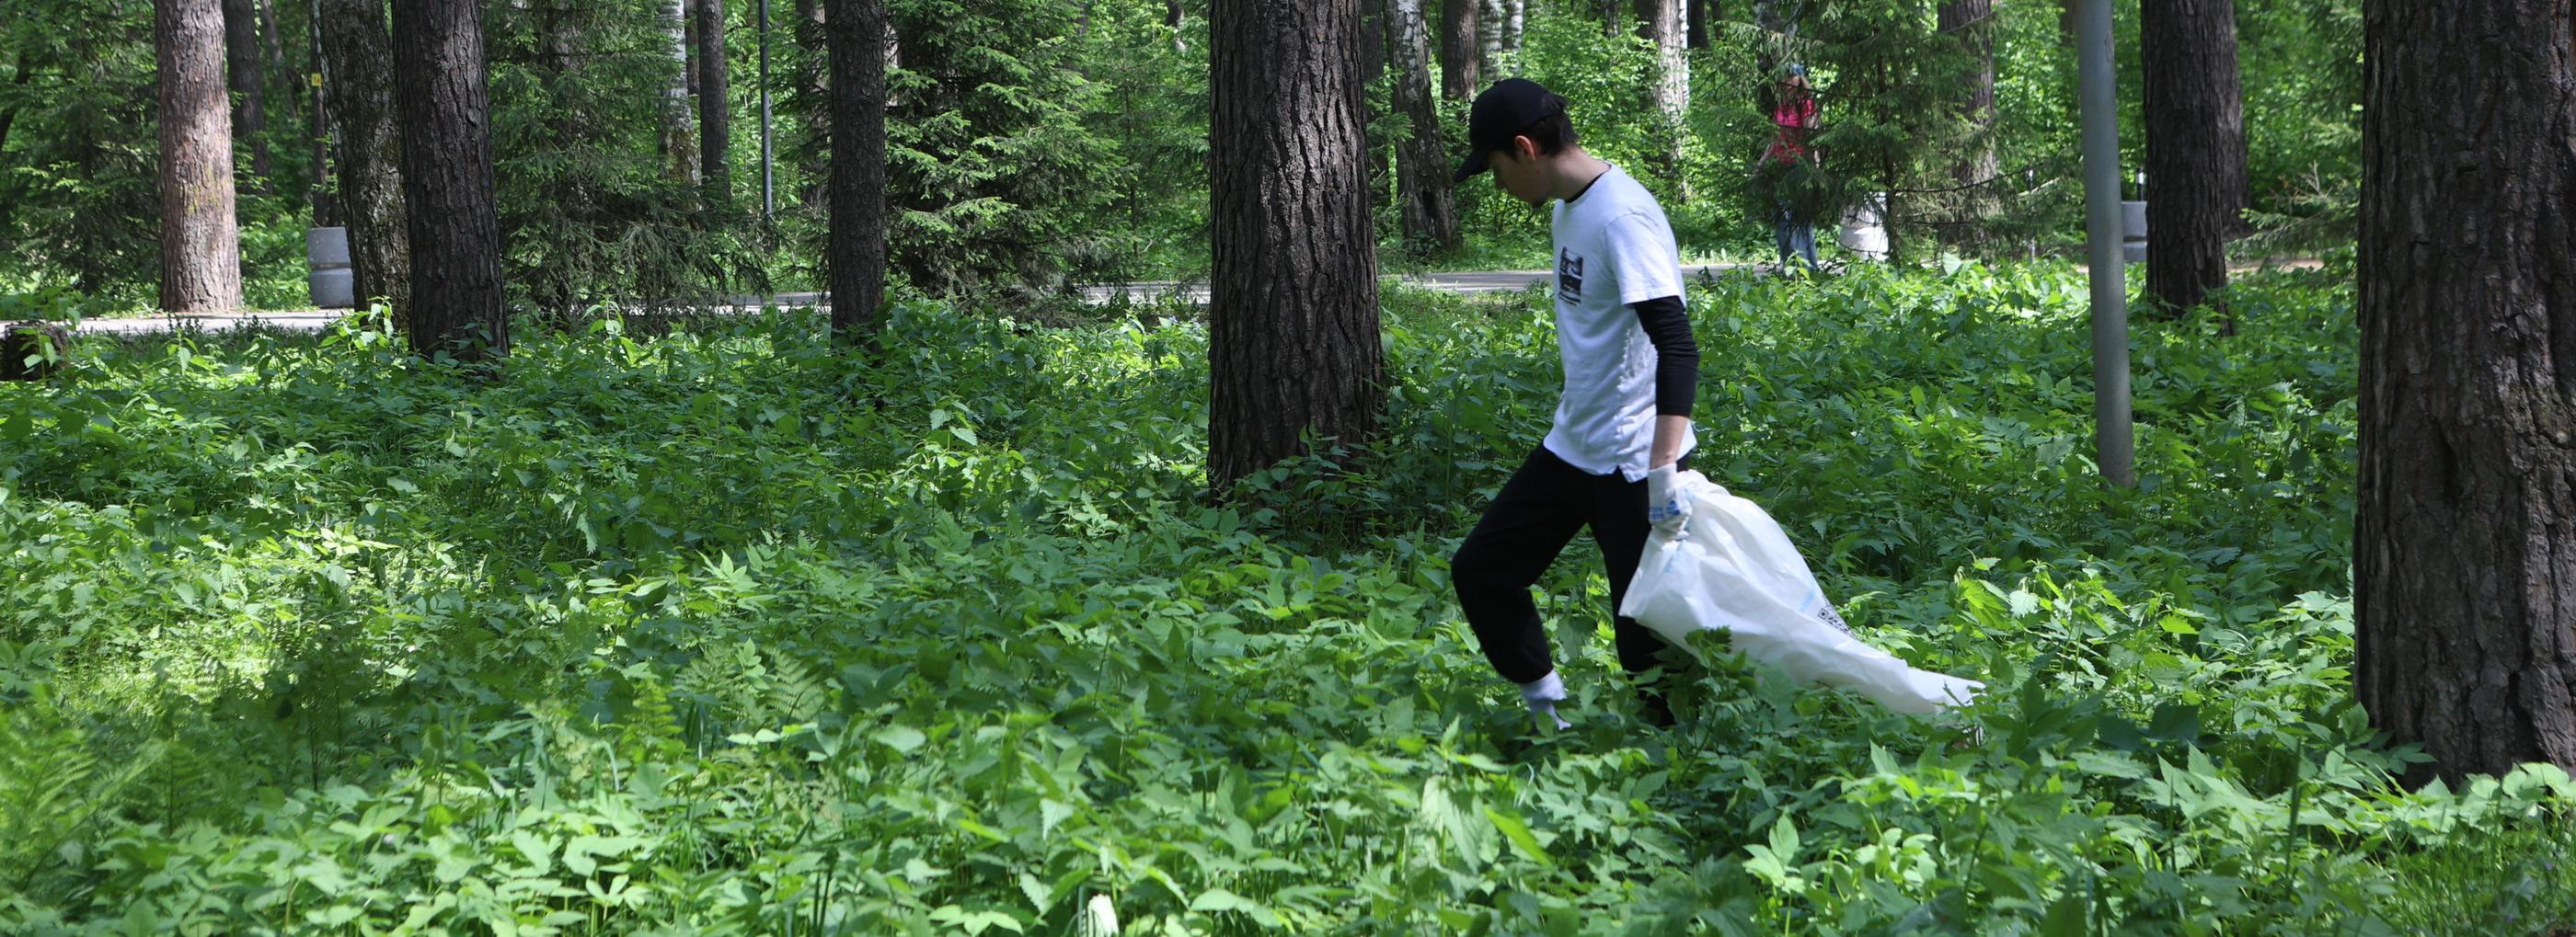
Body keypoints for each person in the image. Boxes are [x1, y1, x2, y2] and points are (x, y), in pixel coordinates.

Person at [1448, 78, 1699, 729]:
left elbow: (1676, 345)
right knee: (1483, 571)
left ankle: (1684, 761)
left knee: (1647, 647)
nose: (1499, 184)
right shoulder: (1569, 207)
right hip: (1574, 448)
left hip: (1634, 464)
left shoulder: (1621, 217)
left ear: (1525, 148)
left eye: (1496, 167)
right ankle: (1550, 719)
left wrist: (1663, 470)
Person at [1763, 63, 1822, 274]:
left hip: (1800, 165)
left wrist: (1814, 165)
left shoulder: (1806, 105)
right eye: (1785, 78)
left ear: (1799, 80)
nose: (1788, 82)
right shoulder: (1780, 107)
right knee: (1781, 216)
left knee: (1799, 217)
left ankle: (1808, 267)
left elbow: (1812, 135)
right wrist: (1761, 164)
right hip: (1782, 165)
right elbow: (1775, 139)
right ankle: (1789, 265)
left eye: (1792, 77)